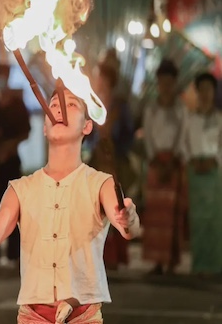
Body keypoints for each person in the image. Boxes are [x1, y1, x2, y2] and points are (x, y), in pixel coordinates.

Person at [0, 87, 141, 324]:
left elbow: (127, 227)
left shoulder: (100, 183)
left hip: (83, 318)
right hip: (32, 318)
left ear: (87, 126)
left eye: (71, 105)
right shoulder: (21, 188)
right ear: (44, 127)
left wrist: (129, 218)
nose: (60, 109)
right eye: (53, 105)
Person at [142, 59, 188, 275]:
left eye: (170, 82)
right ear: (158, 83)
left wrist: (172, 162)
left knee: (172, 214)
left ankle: (171, 260)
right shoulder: (151, 109)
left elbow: (183, 136)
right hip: (156, 163)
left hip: (174, 163)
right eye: (162, 82)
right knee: (156, 214)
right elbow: (148, 137)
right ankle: (157, 261)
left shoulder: (181, 109)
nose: (166, 86)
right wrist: (155, 160)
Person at [0, 64, 31, 264]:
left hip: (10, 160)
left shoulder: (18, 105)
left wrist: (10, 146)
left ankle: (14, 252)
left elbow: (25, 131)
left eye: (5, 76)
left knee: (13, 206)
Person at [88, 61, 135, 270]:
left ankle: (115, 257)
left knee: (116, 206)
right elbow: (87, 134)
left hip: (115, 162)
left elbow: (128, 133)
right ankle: (99, 256)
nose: (98, 81)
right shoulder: (91, 104)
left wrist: (117, 148)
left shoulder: (119, 106)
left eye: (101, 77)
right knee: (95, 208)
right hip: (97, 161)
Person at [185, 72, 222, 276]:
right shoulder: (190, 118)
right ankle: (199, 265)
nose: (206, 93)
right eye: (203, 89)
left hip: (214, 171)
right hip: (195, 171)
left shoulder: (219, 119)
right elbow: (185, 143)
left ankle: (215, 265)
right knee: (198, 219)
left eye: (210, 89)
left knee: (214, 220)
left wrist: (214, 160)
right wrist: (192, 160)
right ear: (197, 91)